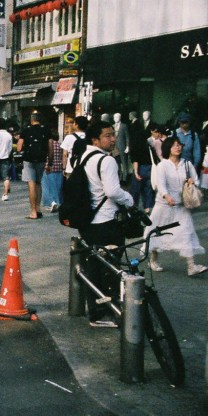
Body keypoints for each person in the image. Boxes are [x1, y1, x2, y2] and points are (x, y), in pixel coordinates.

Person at [77, 121, 134, 328]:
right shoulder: (107, 160)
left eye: (113, 135)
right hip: (107, 222)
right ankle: (105, 312)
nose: (113, 139)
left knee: (94, 268)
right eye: (107, 136)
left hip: (88, 222)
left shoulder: (84, 157)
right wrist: (129, 199)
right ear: (95, 140)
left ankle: (96, 310)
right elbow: (112, 191)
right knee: (110, 271)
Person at [146, 135, 208, 276]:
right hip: (163, 206)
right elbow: (160, 184)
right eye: (174, 145)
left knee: (187, 232)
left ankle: (191, 266)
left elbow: (196, 180)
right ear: (168, 148)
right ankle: (153, 259)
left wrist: (193, 182)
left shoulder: (187, 164)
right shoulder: (163, 165)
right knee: (157, 233)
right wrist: (167, 196)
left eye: (179, 144)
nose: (178, 147)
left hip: (181, 205)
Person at [17, 112, 50, 219]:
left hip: (29, 159)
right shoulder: (46, 130)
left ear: (31, 120)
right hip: (41, 159)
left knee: (31, 184)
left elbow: (19, 147)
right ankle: (38, 209)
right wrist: (50, 161)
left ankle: (33, 212)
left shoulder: (26, 130)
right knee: (38, 183)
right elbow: (50, 146)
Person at [129, 119, 157, 213]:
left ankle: (134, 209)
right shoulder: (147, 142)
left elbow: (135, 159)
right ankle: (148, 209)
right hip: (150, 168)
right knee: (148, 190)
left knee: (135, 191)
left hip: (140, 168)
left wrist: (136, 171)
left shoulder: (134, 142)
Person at [41, 128, 64, 212]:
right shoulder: (61, 145)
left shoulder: (47, 145)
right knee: (58, 187)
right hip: (59, 168)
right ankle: (58, 202)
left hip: (49, 168)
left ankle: (51, 202)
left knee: (47, 187)